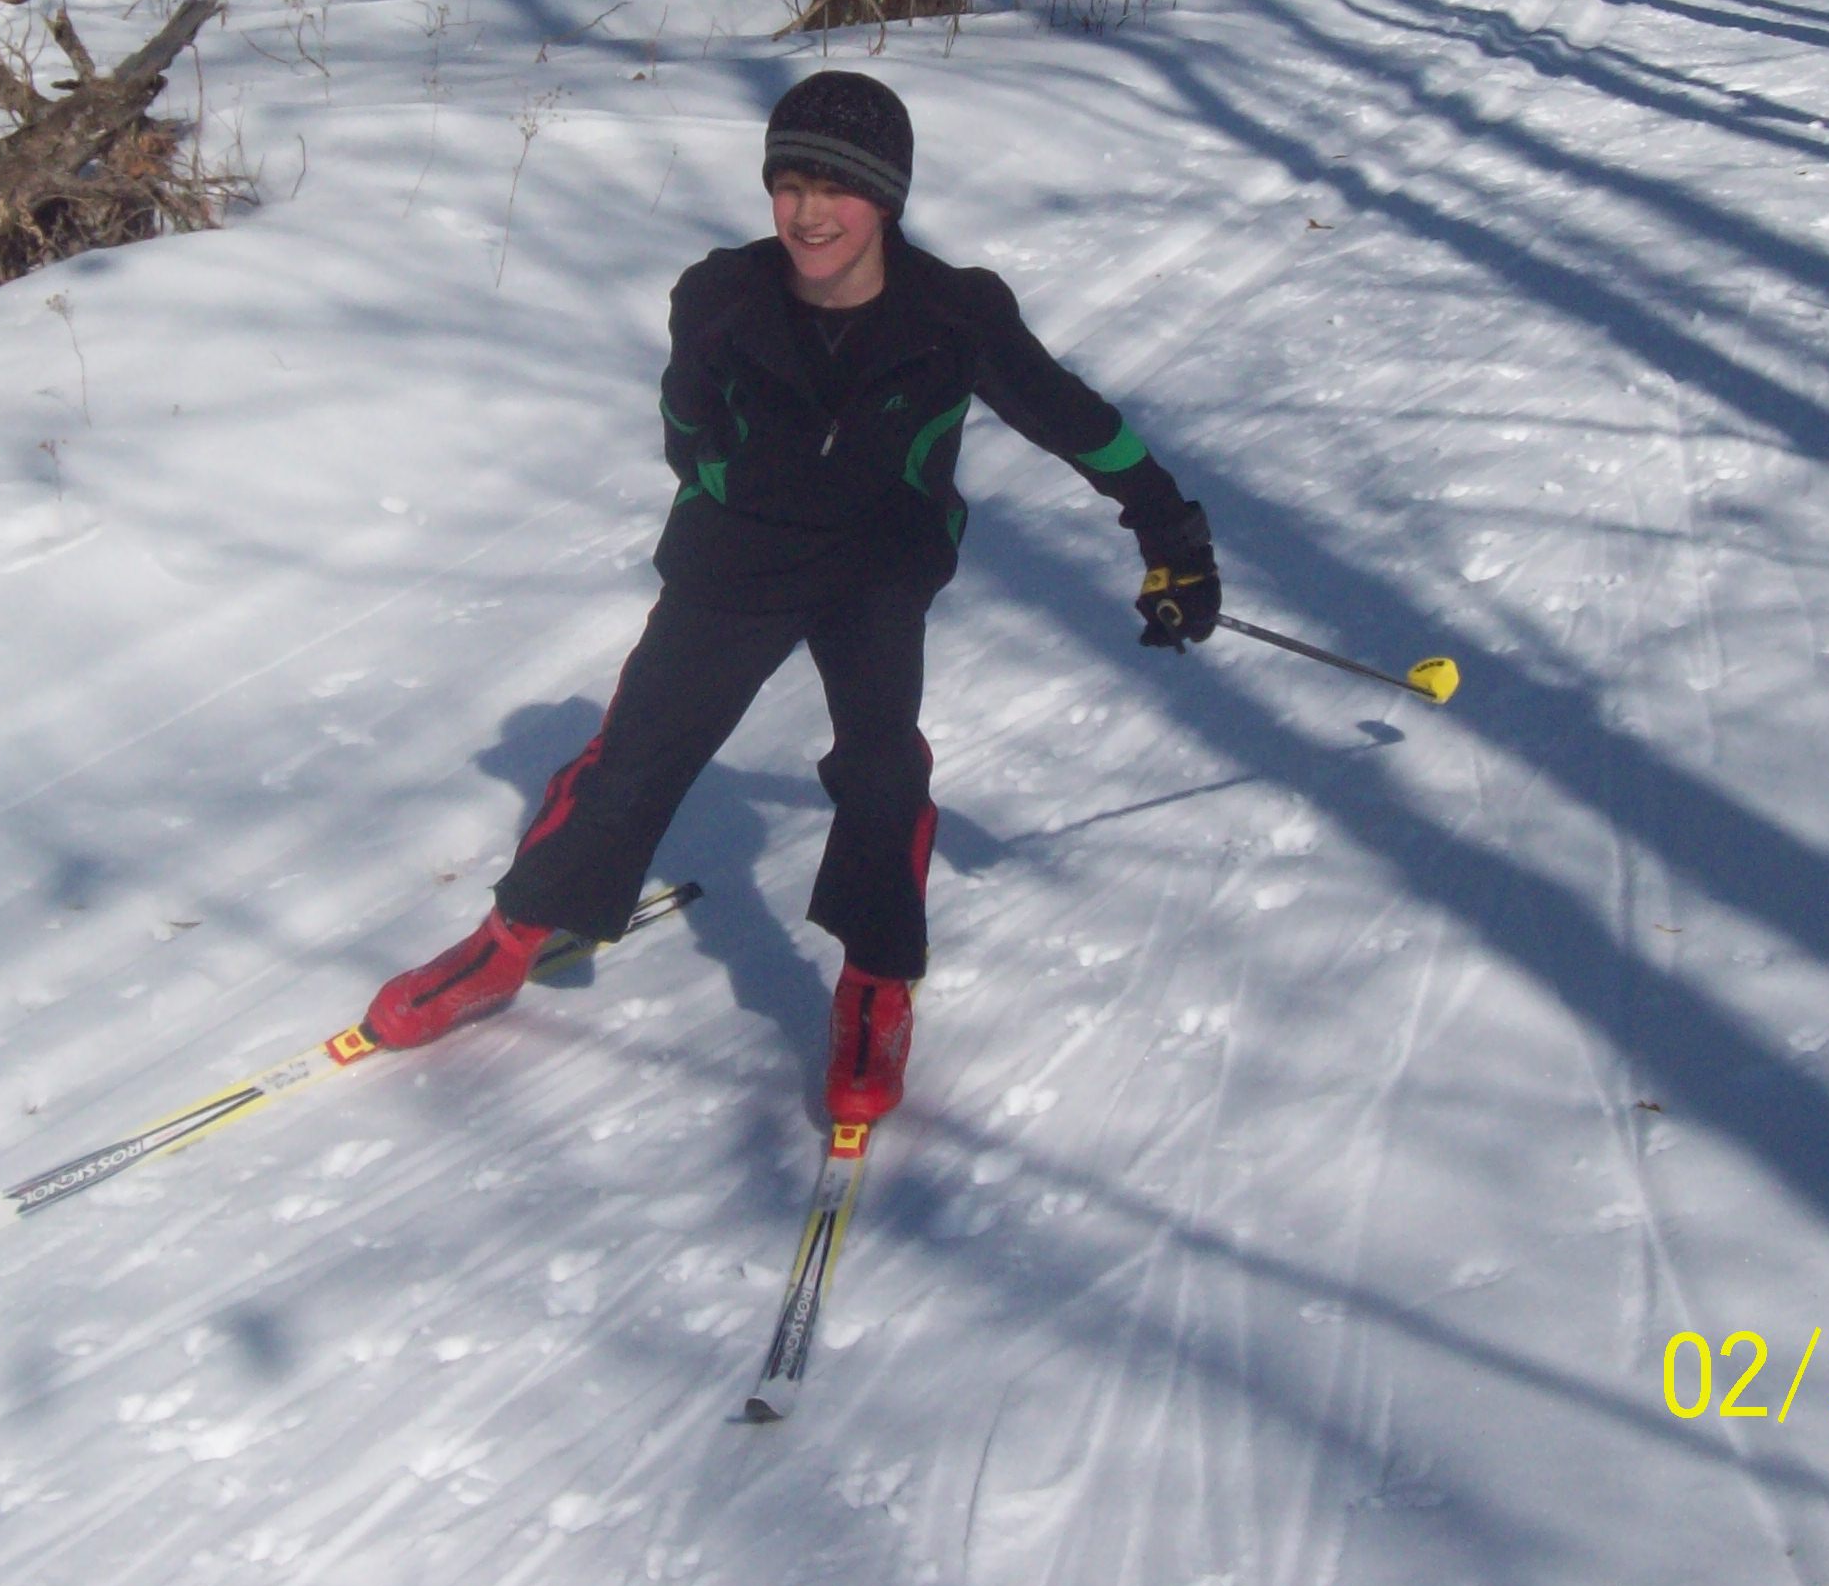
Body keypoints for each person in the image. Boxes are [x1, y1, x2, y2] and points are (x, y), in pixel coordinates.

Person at [360, 71, 1219, 1125]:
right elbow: (684, 424)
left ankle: (874, 984)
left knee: (878, 766)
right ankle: (509, 944)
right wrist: (728, 480)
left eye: (838, 188)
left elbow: (1074, 421)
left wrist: (1168, 532)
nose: (810, 213)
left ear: (887, 198)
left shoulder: (954, 315)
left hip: (875, 564)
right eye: (789, 184)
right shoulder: (719, 296)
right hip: (737, 557)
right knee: (632, 758)